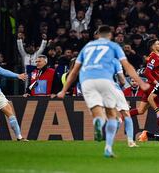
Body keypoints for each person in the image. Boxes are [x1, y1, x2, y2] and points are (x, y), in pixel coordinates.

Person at [57, 25, 149, 158]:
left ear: (98, 35)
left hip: (86, 81)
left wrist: (63, 90)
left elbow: (74, 70)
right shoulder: (113, 48)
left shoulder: (87, 47)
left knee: (98, 113)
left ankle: (97, 123)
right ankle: (112, 146)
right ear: (110, 36)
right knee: (115, 115)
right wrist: (140, 83)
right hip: (107, 82)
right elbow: (126, 70)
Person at [130, 39, 159, 117]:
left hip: (150, 86)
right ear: (153, 47)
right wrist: (156, 83)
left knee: (141, 110)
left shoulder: (155, 57)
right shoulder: (153, 57)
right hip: (153, 87)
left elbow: (154, 72)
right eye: (158, 44)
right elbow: (147, 72)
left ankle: (121, 117)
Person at [112, 59, 138, 147]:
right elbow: (122, 81)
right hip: (114, 87)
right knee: (126, 114)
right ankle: (130, 141)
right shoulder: (115, 61)